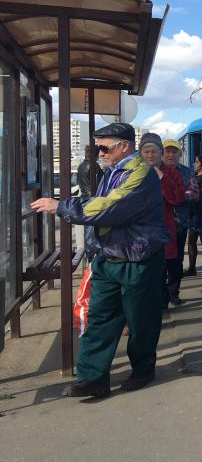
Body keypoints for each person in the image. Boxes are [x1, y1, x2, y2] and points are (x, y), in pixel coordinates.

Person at [31, 123, 169, 398]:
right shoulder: (115, 170)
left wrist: (61, 206)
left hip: (137, 258)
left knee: (141, 321)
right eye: (98, 148)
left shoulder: (140, 173)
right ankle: (93, 378)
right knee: (100, 318)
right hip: (111, 256)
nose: (100, 153)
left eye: (104, 147)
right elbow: (100, 203)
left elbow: (110, 207)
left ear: (124, 146)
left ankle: (143, 370)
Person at [140, 133, 185, 308]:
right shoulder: (133, 172)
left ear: (161, 153)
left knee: (165, 267)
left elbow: (178, 198)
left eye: (154, 151)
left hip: (163, 228)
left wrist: (161, 177)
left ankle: (163, 300)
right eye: (146, 151)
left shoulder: (171, 174)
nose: (150, 155)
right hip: (139, 231)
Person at [162, 139, 198, 292]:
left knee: (177, 260)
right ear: (162, 154)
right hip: (160, 224)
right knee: (160, 260)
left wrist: (177, 195)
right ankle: (161, 294)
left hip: (179, 223)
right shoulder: (154, 171)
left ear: (179, 154)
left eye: (174, 152)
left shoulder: (187, 172)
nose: (171, 155)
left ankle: (173, 292)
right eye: (167, 152)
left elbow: (195, 193)